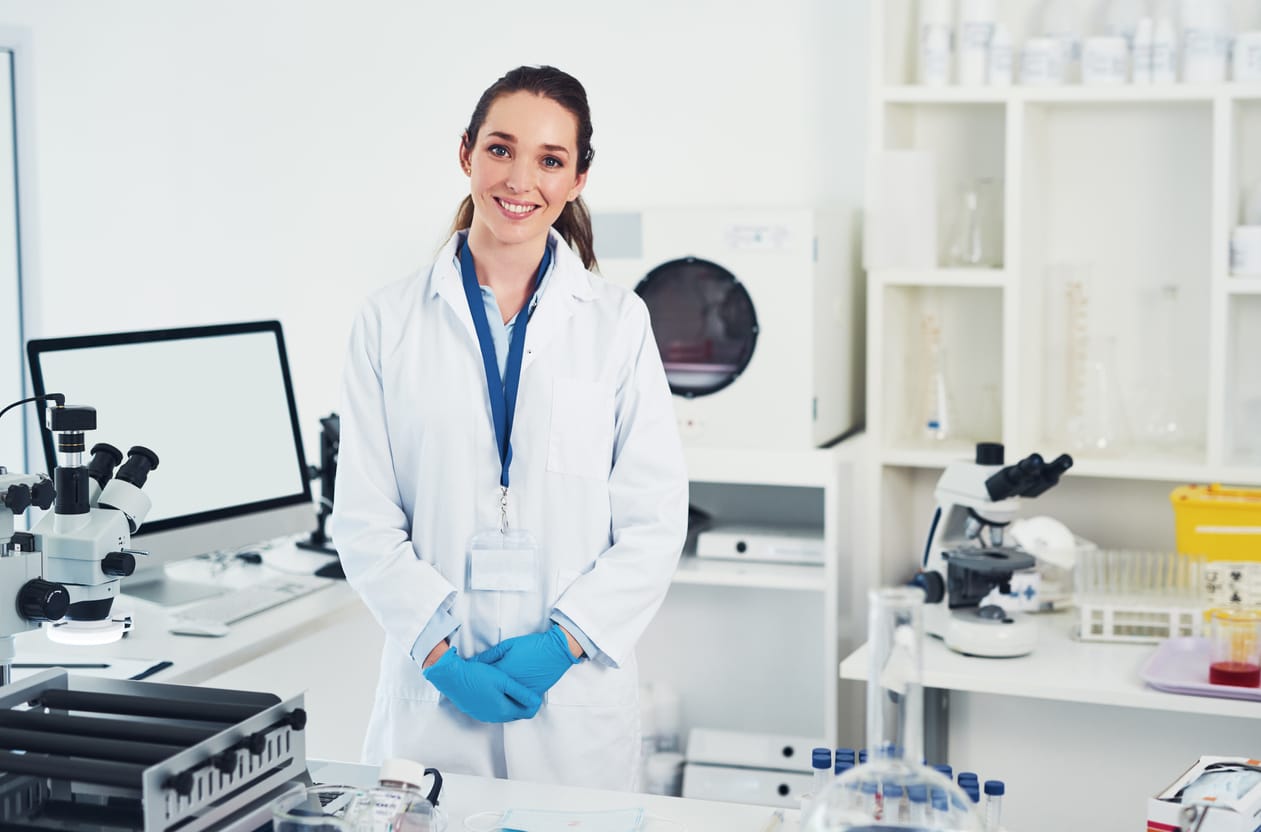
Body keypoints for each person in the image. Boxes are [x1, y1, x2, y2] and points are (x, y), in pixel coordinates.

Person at [331, 65, 688, 791]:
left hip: (571, 707)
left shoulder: (616, 324)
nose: (520, 179)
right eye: (501, 149)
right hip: (432, 701)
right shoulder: (389, 321)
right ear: (465, 153)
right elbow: (364, 519)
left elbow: (654, 520)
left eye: (550, 160)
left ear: (578, 178)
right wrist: (438, 656)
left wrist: (563, 644)